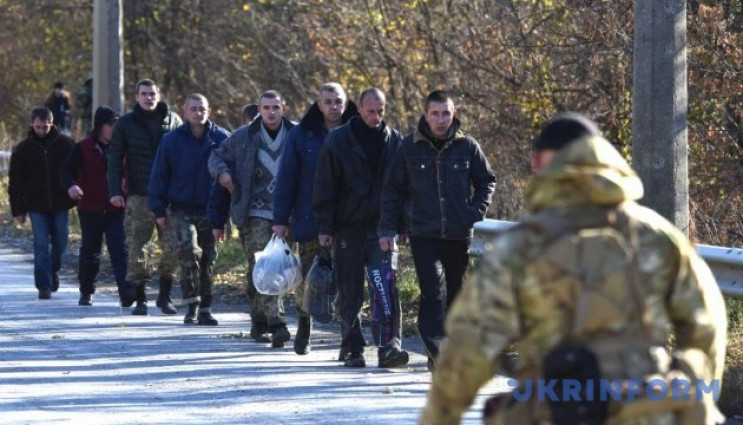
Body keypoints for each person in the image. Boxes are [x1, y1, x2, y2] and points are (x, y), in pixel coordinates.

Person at [419, 113, 728, 425]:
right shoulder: (658, 237)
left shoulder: (522, 246)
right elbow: (707, 326)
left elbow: (470, 348)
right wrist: (693, 390)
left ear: (540, 163)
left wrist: (440, 417)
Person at [378, 89, 495, 371]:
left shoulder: (467, 146)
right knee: (432, 292)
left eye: (446, 113)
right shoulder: (409, 147)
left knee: (455, 293)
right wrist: (387, 228)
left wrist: (474, 213)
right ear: (425, 115)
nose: (441, 119)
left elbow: (486, 181)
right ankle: (437, 352)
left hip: (458, 233)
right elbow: (392, 190)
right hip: (423, 233)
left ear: (453, 114)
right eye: (435, 113)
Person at [313, 88, 409, 369]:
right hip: (348, 228)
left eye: (381, 111)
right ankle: (353, 345)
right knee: (350, 292)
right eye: (370, 111)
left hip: (383, 229)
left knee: (384, 290)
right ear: (359, 109)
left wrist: (401, 224)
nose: (376, 116)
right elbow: (324, 185)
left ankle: (388, 348)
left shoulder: (395, 141)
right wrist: (325, 226)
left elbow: (405, 187)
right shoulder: (338, 140)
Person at [273, 82, 358, 355]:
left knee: (348, 282)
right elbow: (286, 178)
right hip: (310, 218)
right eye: (328, 101)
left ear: (346, 103)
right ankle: (304, 326)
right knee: (312, 277)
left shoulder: (357, 131)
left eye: (338, 101)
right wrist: (280, 218)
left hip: (350, 219)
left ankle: (348, 339)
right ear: (319, 104)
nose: (334, 106)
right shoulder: (301, 134)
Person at [208, 90, 295, 347]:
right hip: (254, 212)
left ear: (284, 108)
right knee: (265, 265)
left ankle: (258, 320)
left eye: (275, 107)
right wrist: (222, 173)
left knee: (274, 269)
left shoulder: (295, 134)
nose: (271, 112)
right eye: (266, 107)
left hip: (287, 213)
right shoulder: (243, 136)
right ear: (259, 109)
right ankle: (277, 323)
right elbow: (216, 156)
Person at [148, 93, 230, 325]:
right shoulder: (171, 141)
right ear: (184, 111)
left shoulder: (222, 139)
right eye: (193, 108)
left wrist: (227, 213)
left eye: (202, 108)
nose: (198, 113)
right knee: (188, 254)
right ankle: (191, 305)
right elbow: (159, 175)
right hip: (181, 209)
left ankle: (206, 307)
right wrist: (159, 209)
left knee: (209, 259)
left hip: (211, 209)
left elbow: (233, 175)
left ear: (209, 111)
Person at [107, 79, 183, 316]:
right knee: (137, 248)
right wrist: (115, 192)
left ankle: (165, 295)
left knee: (172, 246)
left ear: (159, 95)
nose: (148, 98)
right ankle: (140, 299)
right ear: (137, 96)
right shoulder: (126, 124)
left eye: (152, 93)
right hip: (139, 195)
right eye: (144, 94)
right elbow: (114, 159)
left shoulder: (174, 122)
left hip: (169, 196)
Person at [60, 106, 135, 307]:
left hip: (116, 207)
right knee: (90, 251)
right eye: (111, 124)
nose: (114, 128)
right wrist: (72, 186)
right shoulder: (83, 147)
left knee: (119, 250)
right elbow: (66, 170)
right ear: (100, 126)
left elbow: (132, 172)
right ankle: (86, 290)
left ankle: (125, 292)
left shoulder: (123, 148)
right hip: (90, 207)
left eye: (117, 124)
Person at [8, 106, 75, 299]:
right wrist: (18, 209)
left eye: (45, 127)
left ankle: (53, 268)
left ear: (51, 124)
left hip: (61, 202)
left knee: (61, 240)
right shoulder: (22, 149)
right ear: (32, 125)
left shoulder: (66, 144)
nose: (41, 131)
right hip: (36, 205)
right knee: (40, 243)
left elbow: (76, 172)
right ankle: (43, 285)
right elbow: (16, 182)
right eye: (38, 127)